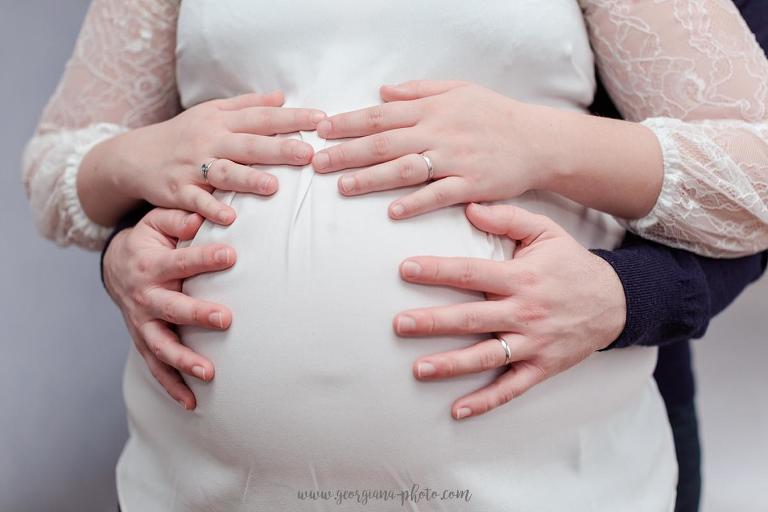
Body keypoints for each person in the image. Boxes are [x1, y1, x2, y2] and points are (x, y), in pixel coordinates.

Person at [21, 1, 768, 510]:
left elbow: (757, 172)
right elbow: (58, 166)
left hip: (547, 479)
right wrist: (137, 171)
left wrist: (543, 145)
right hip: (209, 486)